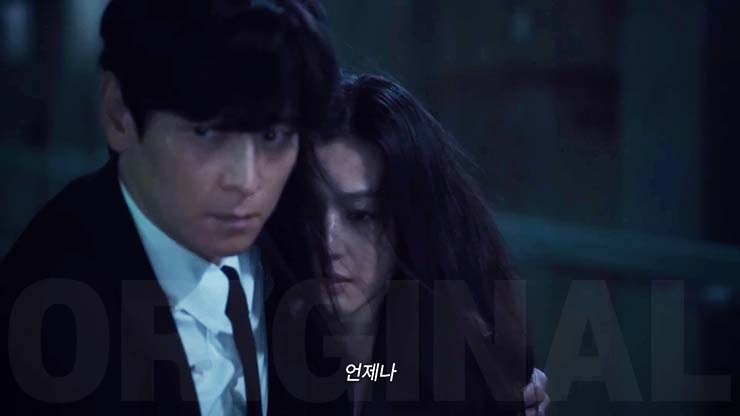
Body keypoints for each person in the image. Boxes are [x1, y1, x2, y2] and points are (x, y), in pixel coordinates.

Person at [0, 0, 338, 414]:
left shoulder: (305, 231)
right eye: (206, 132)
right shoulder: (46, 312)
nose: (247, 180)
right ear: (119, 114)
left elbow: (361, 373)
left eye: (273, 136)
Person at [267, 73, 551, 415]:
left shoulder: (459, 365)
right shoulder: (259, 342)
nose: (327, 243)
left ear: (410, 220)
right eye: (308, 212)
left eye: (361, 215)